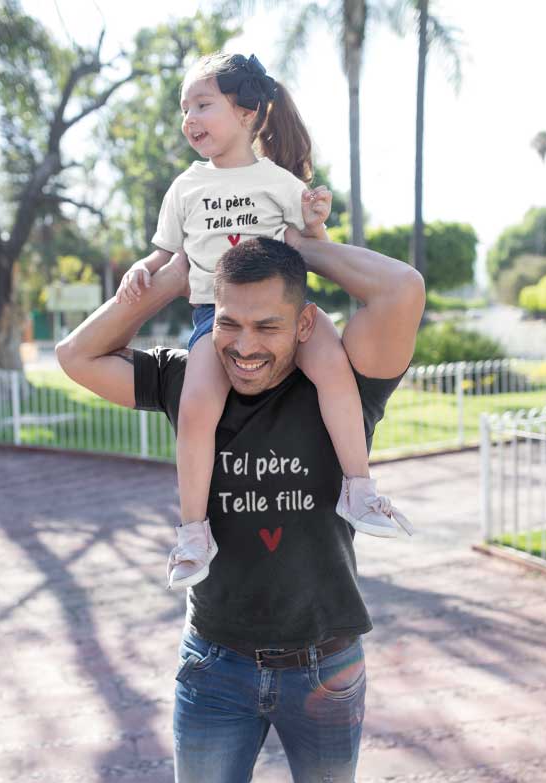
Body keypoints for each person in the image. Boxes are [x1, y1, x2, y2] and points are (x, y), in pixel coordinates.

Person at [55, 225, 425, 783]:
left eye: (267, 326)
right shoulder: (189, 384)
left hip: (325, 663)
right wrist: (170, 278)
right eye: (229, 323)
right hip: (214, 666)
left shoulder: (343, 388)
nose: (243, 346)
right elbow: (76, 356)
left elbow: (401, 289)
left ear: (305, 324)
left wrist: (295, 246)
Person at [114, 52, 412, 592]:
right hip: (217, 319)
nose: (190, 119)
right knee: (196, 406)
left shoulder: (278, 181)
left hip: (290, 317)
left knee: (333, 370)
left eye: (203, 104)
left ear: (248, 112)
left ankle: (359, 487)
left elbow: (317, 251)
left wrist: (317, 223)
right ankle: (193, 531)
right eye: (185, 108)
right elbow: (163, 254)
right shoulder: (183, 187)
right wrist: (143, 267)